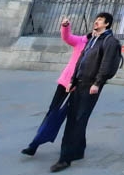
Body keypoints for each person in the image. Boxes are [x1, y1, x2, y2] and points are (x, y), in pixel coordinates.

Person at [51, 12, 122, 173]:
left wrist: (98, 83)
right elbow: (81, 60)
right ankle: (78, 150)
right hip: (80, 83)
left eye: (99, 21)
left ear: (107, 24)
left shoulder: (110, 42)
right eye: (96, 20)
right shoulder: (92, 39)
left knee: (77, 119)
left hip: (91, 85)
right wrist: (72, 81)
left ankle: (65, 158)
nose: (96, 22)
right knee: (76, 117)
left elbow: (106, 64)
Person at [22, 17, 87, 156]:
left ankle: (78, 146)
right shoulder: (82, 41)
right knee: (53, 111)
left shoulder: (101, 45)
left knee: (76, 118)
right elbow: (67, 37)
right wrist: (65, 26)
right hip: (66, 82)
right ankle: (35, 143)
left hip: (81, 86)